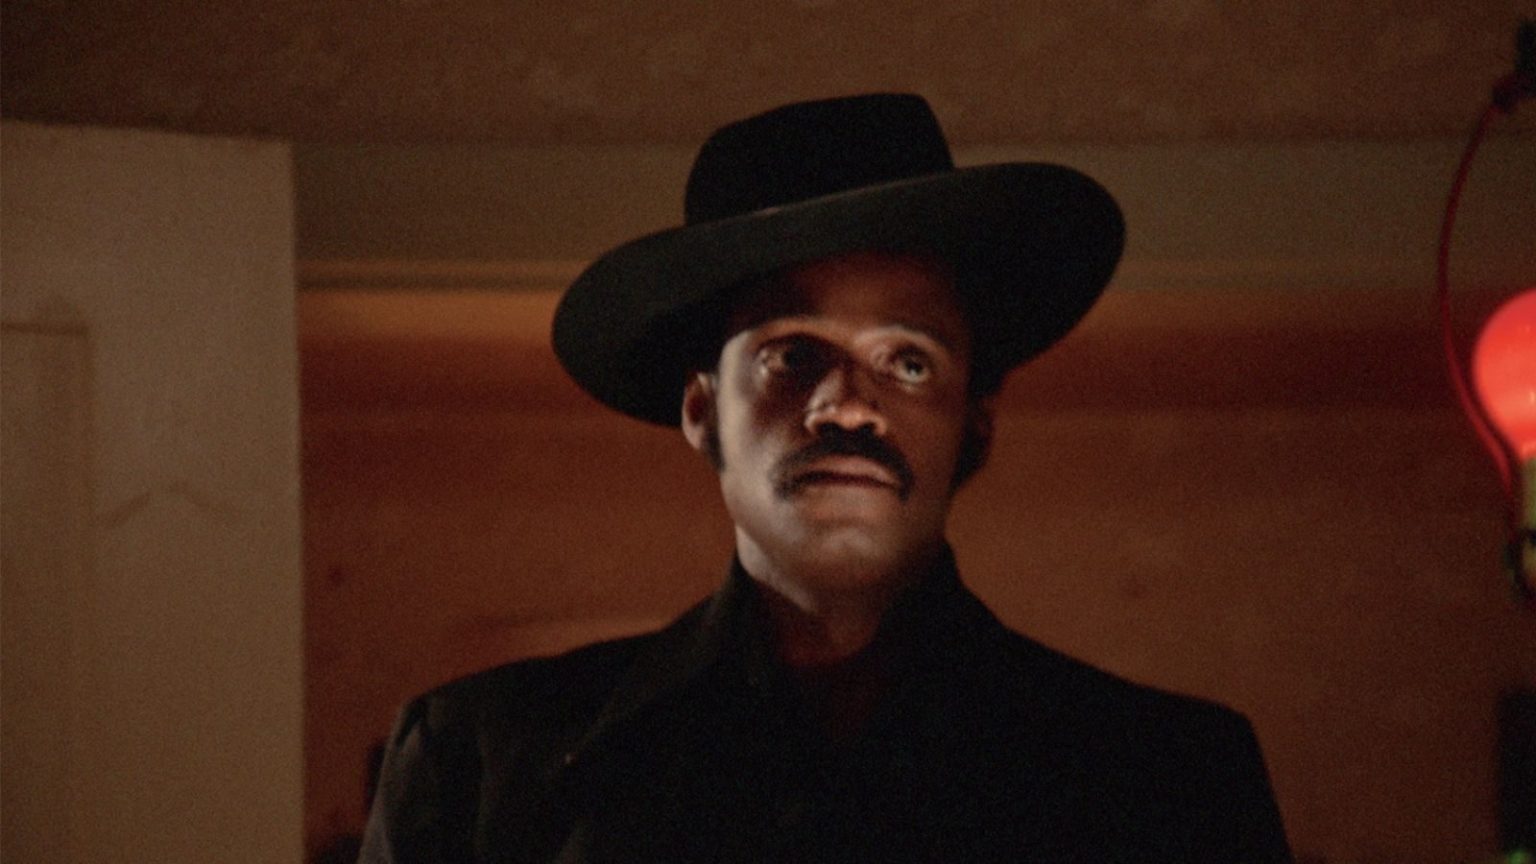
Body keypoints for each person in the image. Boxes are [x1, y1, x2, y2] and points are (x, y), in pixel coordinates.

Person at [358, 93, 1292, 863]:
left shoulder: (1167, 782)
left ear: (973, 421)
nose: (848, 405)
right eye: (791, 355)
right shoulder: (480, 765)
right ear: (701, 410)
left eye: (909, 362)